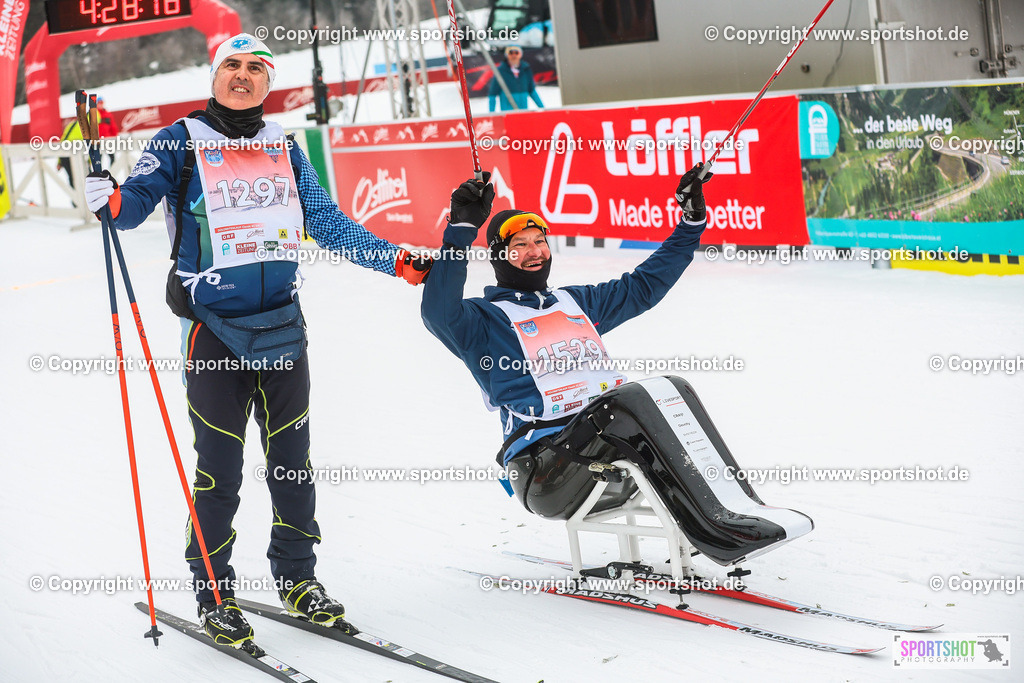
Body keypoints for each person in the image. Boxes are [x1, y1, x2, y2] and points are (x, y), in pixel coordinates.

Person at [83, 33, 432, 648]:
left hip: (282, 328)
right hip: (213, 333)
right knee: (219, 473)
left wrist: (395, 260)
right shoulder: (180, 140)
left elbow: (326, 223)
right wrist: (109, 198)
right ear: (214, 75)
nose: (243, 77)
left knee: (292, 468)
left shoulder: (285, 147)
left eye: (256, 69)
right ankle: (214, 589)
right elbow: (132, 205)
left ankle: (298, 579)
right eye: (233, 67)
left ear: (270, 83)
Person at [421, 166, 811, 565]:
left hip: (605, 445)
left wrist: (692, 221)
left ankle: (738, 505)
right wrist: (462, 228)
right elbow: (438, 311)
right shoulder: (483, 322)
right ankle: (717, 529)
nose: (536, 251)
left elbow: (644, 286)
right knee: (626, 402)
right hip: (543, 469)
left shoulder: (575, 304)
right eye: (520, 245)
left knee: (671, 388)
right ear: (500, 256)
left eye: (541, 241)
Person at [487, 45, 544, 112]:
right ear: (507, 55)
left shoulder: (526, 69)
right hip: (508, 114)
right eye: (511, 53)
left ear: (520, 55)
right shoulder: (500, 71)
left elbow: (532, 91)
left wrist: (542, 108)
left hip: (523, 113)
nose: (514, 56)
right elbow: (492, 94)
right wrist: (491, 114)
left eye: (516, 53)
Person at [96, 96, 119, 166]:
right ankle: (98, 175)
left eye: (101, 103)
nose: (100, 104)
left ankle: (111, 173)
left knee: (112, 158)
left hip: (107, 139)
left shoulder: (108, 114)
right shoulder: (93, 114)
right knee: (98, 160)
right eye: (99, 103)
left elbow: (113, 126)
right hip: (98, 140)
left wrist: (115, 136)